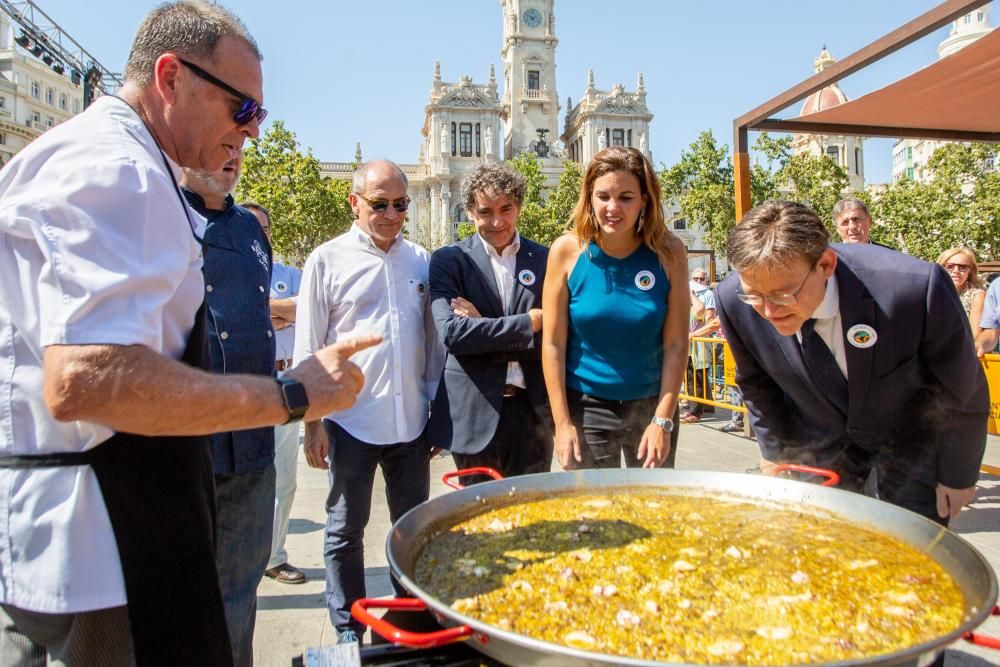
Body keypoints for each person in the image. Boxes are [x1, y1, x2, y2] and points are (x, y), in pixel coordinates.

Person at [0, 2, 378, 665]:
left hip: (75, 531)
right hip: (101, 546)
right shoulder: (119, 167)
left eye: (258, 115)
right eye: (242, 108)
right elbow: (85, 377)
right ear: (170, 78)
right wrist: (291, 394)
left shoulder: (103, 155)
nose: (252, 132)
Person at [716, 201, 987, 525]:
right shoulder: (733, 300)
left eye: (784, 295)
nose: (769, 311)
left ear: (826, 264)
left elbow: (963, 387)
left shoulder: (915, 288)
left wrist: (958, 475)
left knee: (911, 563)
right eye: (755, 296)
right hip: (817, 454)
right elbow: (756, 383)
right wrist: (777, 455)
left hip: (910, 449)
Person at [294, 160, 444, 644]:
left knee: (412, 532)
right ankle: (347, 630)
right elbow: (308, 350)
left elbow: (432, 342)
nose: (392, 214)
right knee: (344, 532)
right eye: (380, 204)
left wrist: (434, 411)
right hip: (349, 422)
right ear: (354, 202)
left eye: (401, 204)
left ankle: (405, 623)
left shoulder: (421, 260)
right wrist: (310, 424)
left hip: (410, 425)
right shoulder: (325, 260)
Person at [181, 154, 276, 665]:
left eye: (237, 145)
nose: (231, 154)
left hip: (253, 445)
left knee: (240, 593)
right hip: (190, 446)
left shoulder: (248, 229)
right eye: (216, 143)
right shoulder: (163, 212)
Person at [542, 146, 689, 470]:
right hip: (586, 408)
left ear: (644, 201)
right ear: (589, 198)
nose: (613, 208)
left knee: (651, 510)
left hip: (652, 406)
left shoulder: (670, 253)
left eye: (626, 197)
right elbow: (553, 344)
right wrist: (562, 424)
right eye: (603, 196)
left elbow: (677, 344)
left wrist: (662, 420)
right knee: (593, 514)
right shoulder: (566, 252)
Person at [427, 163, 551, 480]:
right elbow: (453, 335)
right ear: (470, 212)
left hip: (532, 413)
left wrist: (483, 327)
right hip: (472, 415)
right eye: (485, 211)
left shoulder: (546, 259)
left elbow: (557, 335)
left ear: (519, 206)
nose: (497, 221)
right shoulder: (449, 260)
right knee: (478, 518)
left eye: (506, 209)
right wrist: (528, 324)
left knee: (532, 517)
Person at [243, 202, 308, 586]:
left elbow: (309, 307)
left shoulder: (289, 274)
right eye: (250, 228)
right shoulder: (224, 273)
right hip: (244, 388)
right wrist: (281, 313)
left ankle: (273, 555)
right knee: (242, 480)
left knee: (284, 480)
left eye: (264, 228)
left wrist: (270, 309)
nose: (259, 235)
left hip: (285, 387)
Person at [680, 268, 720, 424]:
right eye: (695, 278)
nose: (697, 281)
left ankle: (695, 411)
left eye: (701, 279)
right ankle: (705, 405)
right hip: (690, 345)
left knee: (697, 377)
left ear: (706, 280)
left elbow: (705, 315)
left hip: (700, 345)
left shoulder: (706, 295)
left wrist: (691, 294)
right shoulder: (686, 298)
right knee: (693, 376)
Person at [936, 246, 985, 340]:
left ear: (970, 271)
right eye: (950, 266)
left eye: (962, 267)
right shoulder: (931, 292)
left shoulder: (977, 295)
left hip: (960, 349)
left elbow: (974, 335)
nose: (956, 271)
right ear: (941, 268)